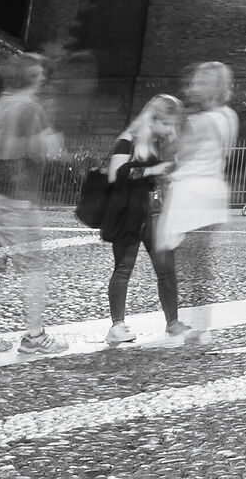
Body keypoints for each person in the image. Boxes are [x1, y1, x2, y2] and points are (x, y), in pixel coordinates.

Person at [0, 52, 66, 356]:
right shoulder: (29, 107)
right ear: (34, 78)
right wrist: (53, 140)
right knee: (34, 268)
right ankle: (35, 337)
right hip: (18, 198)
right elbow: (48, 149)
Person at [158, 61, 238, 338]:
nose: (193, 87)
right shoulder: (229, 116)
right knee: (198, 264)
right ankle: (201, 324)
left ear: (212, 88)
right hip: (214, 193)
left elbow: (173, 151)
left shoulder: (200, 122)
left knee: (188, 266)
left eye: (200, 82)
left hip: (192, 198)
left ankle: (196, 327)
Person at [101, 93, 188, 346]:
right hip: (129, 213)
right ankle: (117, 326)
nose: (169, 129)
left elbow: (154, 177)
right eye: (167, 123)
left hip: (154, 213)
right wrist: (153, 170)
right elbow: (115, 175)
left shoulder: (156, 144)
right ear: (153, 119)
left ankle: (173, 322)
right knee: (123, 269)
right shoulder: (128, 140)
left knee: (166, 270)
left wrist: (170, 170)